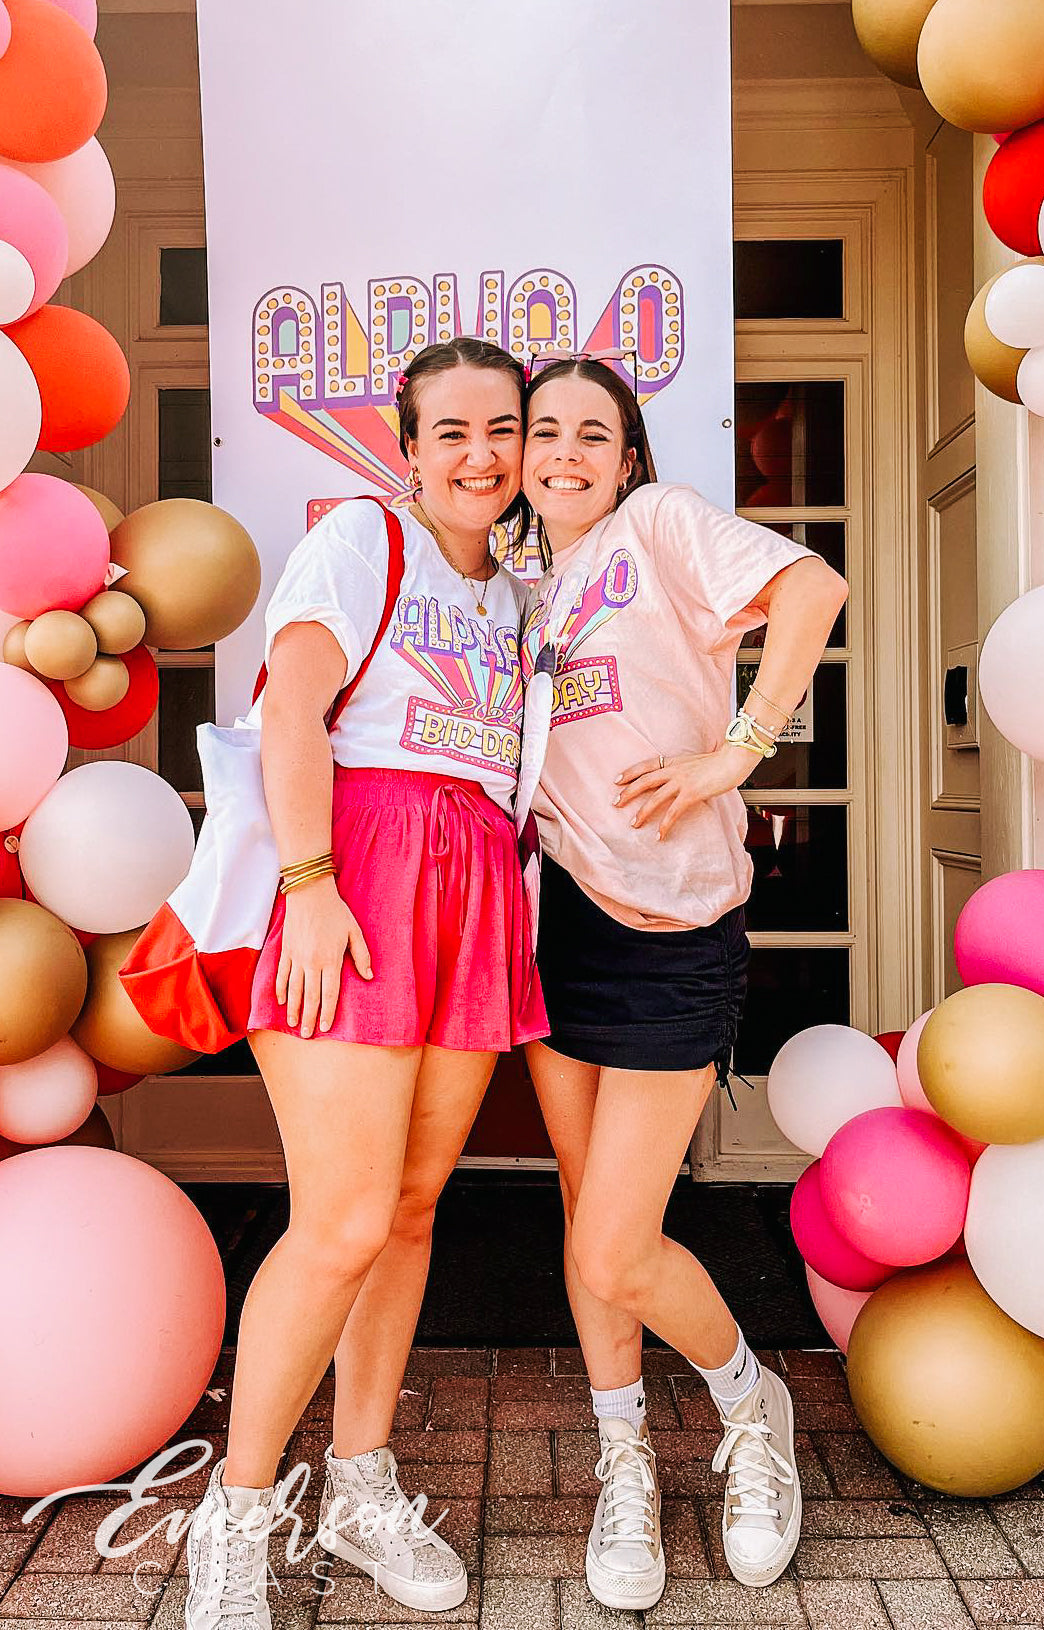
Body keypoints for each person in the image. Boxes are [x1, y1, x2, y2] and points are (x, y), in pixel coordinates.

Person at [185, 338, 547, 1630]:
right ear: (407, 449)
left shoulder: (519, 598)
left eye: (502, 429)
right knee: (338, 1218)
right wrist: (311, 882)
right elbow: (291, 711)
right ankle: (234, 1515)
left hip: (474, 887)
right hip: (358, 872)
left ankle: (359, 1478)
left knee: (405, 1209)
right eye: (451, 431)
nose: (481, 455)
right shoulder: (360, 541)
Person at [520, 357, 848, 1609]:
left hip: (669, 922)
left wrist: (735, 753)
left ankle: (749, 1406)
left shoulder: (656, 525)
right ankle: (627, 1462)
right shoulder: (522, 586)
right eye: (543, 430)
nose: (563, 451)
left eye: (590, 433)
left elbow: (813, 586)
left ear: (627, 457)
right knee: (586, 1221)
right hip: (551, 926)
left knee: (616, 1242)